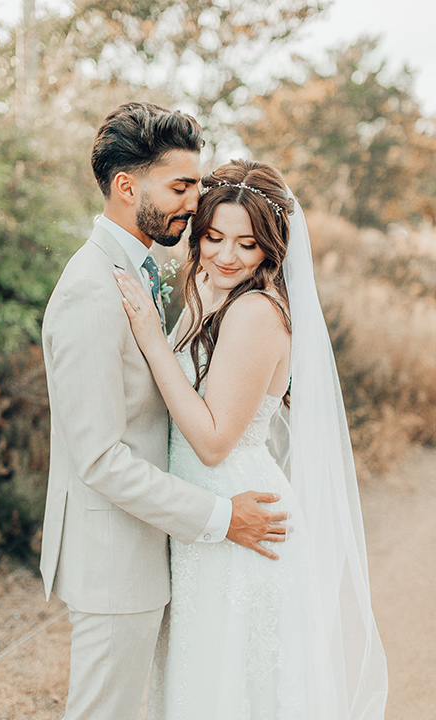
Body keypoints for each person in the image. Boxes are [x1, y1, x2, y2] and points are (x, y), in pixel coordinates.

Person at [39, 103, 289, 720]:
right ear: (128, 187)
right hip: (116, 559)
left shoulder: (147, 273)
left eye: (196, 186)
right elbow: (99, 456)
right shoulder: (91, 290)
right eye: (181, 187)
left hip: (164, 549)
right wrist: (217, 517)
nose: (193, 203)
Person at [116, 159, 388, 718]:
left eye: (247, 244)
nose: (226, 256)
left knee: (231, 686)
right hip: (204, 514)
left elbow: (213, 440)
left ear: (271, 248)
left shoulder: (258, 312)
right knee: (200, 680)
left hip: (243, 520)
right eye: (214, 237)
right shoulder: (206, 288)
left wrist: (150, 336)